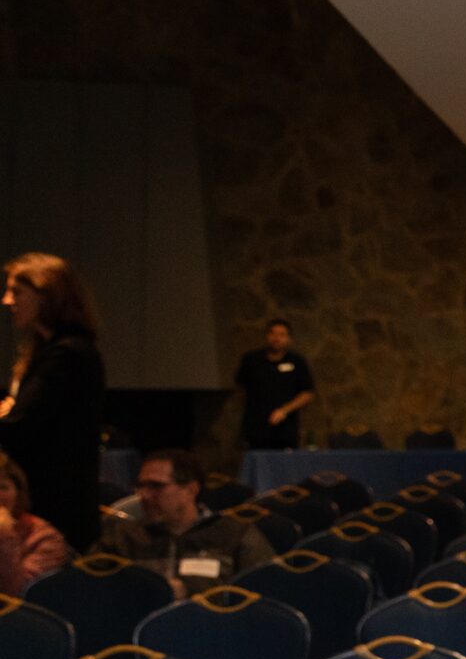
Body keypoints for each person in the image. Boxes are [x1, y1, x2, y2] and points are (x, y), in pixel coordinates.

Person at [0, 252, 106, 551]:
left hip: (56, 503)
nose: (8, 301)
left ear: (46, 295)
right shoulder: (48, 351)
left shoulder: (67, 354)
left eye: (16, 291)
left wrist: (10, 413)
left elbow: (17, 426)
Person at [97, 450, 276, 598]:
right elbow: (91, 587)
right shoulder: (125, 536)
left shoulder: (233, 533)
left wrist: (189, 593)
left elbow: (265, 593)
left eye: (155, 486)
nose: (144, 495)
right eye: (141, 486)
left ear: (191, 490)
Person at [234, 318, 317, 450]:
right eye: (273, 333)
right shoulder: (251, 360)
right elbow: (240, 387)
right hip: (256, 428)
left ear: (289, 338)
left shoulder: (296, 362)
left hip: (285, 430)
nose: (276, 338)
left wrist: (284, 411)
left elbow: (307, 393)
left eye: (281, 334)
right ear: (267, 335)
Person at [0, 455, 71, 594]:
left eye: (2, 487)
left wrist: (4, 535)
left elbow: (15, 595)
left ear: (18, 493)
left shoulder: (46, 539)